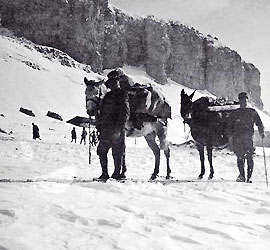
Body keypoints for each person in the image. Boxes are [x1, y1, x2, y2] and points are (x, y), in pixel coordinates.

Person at [95, 72, 130, 181]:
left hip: (116, 129)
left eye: (115, 81)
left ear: (118, 82)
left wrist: (119, 128)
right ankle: (104, 173)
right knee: (101, 150)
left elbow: (125, 113)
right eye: (111, 81)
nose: (113, 83)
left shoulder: (122, 94)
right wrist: (99, 126)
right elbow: (102, 112)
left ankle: (117, 174)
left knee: (117, 152)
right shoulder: (108, 96)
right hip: (105, 128)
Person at [229, 92, 265, 183]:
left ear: (247, 100)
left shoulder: (252, 112)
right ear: (239, 101)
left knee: (249, 157)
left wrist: (261, 132)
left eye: (244, 99)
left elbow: (259, 123)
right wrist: (230, 137)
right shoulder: (235, 113)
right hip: (237, 138)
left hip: (249, 138)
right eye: (241, 99)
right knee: (240, 157)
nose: (243, 101)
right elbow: (230, 126)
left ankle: (249, 177)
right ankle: (242, 176)